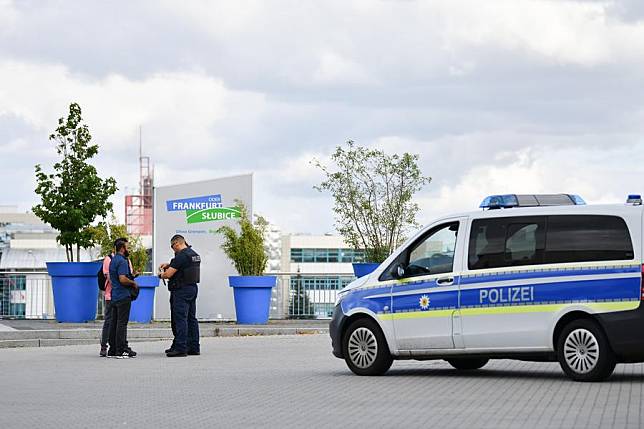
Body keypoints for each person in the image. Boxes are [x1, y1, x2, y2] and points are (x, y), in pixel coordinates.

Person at [158, 234, 201, 357]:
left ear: (177, 243)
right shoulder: (194, 254)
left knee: (180, 319)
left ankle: (181, 347)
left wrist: (161, 275)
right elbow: (183, 268)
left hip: (181, 290)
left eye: (173, 246)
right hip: (192, 288)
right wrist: (170, 265)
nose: (173, 249)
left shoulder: (181, 256)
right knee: (191, 319)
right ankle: (193, 347)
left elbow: (168, 275)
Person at [100, 238, 135, 357]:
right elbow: (122, 279)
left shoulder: (112, 260)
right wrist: (133, 283)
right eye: (127, 247)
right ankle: (121, 349)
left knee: (114, 323)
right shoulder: (122, 261)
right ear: (122, 248)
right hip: (122, 295)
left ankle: (113, 349)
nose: (129, 249)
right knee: (121, 324)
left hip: (114, 295)